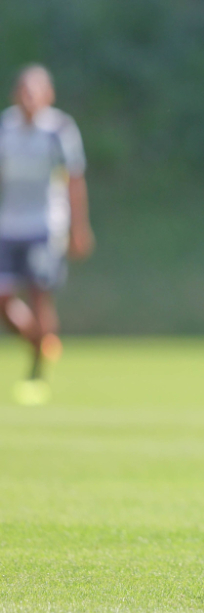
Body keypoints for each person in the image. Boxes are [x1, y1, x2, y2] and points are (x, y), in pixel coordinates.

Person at [0, 65, 93, 405]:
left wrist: (78, 228)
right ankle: (41, 342)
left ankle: (36, 373)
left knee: (39, 295)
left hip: (44, 226)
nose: (29, 98)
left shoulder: (58, 130)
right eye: (23, 91)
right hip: (8, 227)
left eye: (36, 91)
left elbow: (74, 180)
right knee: (4, 300)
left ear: (48, 96)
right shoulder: (5, 129)